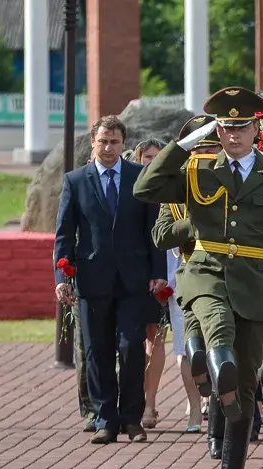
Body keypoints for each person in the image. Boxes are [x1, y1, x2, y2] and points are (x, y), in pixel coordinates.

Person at [133, 87, 263, 469]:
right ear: (217, 130)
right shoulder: (197, 168)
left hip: (256, 285)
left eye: (241, 126)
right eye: (225, 127)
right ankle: (213, 362)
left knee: (243, 390)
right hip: (205, 274)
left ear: (256, 128)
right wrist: (181, 144)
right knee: (217, 322)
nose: (233, 135)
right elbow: (145, 189)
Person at [55, 115, 167, 445]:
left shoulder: (139, 177)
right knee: (97, 351)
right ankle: (106, 419)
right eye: (102, 141)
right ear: (93, 142)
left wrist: (158, 272)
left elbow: (154, 230)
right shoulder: (75, 181)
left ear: (123, 145)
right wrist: (62, 275)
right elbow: (64, 235)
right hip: (93, 280)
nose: (107, 147)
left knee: (131, 347)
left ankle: (132, 419)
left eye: (114, 142)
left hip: (134, 281)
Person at [149, 121, 218, 435]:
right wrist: (194, 223)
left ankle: (226, 409)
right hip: (185, 279)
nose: (204, 155)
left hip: (227, 279)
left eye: (211, 148)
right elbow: (161, 234)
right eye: (199, 149)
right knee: (188, 348)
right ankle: (195, 403)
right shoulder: (178, 190)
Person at [131, 137, 169, 429]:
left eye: (158, 157)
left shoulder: (174, 186)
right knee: (135, 338)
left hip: (167, 268)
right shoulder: (132, 190)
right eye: (147, 157)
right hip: (137, 272)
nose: (152, 162)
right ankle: (135, 399)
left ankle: (150, 403)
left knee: (156, 337)